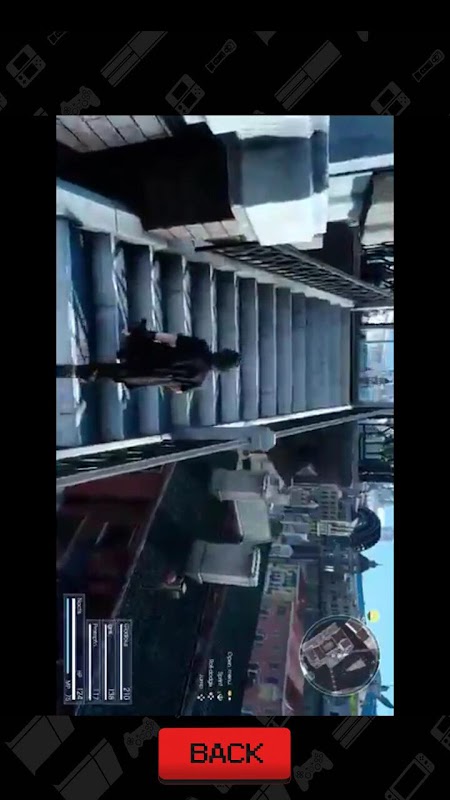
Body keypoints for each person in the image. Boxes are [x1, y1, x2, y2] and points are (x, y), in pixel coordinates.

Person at [56, 319, 241, 393]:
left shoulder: (200, 346)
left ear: (221, 352)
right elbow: (176, 389)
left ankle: (128, 343)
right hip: (144, 375)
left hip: (148, 354)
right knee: (106, 371)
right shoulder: (198, 379)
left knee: (140, 343)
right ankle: (73, 372)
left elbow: (171, 339)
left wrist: (148, 334)